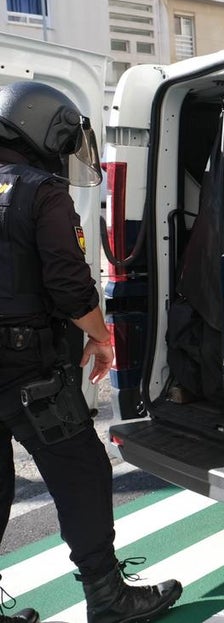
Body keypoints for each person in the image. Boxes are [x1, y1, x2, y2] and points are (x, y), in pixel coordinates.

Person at [0, 82, 183, 623]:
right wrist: (101, 338)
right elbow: (69, 283)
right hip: (28, 371)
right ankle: (108, 597)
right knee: (82, 473)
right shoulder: (39, 190)